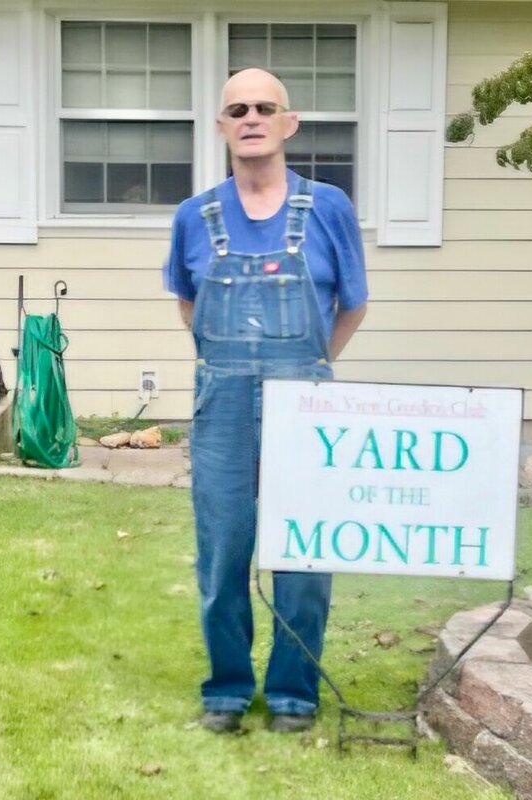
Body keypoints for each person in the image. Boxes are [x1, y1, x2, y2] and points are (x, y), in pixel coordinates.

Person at [163, 68, 368, 734]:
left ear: (289, 122)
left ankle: (293, 695)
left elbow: (353, 306)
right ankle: (225, 690)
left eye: (264, 107)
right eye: (236, 109)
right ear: (222, 126)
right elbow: (189, 306)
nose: (250, 117)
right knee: (223, 547)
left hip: (305, 398)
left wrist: (307, 369)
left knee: (304, 552)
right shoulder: (194, 217)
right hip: (221, 403)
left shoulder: (329, 207)